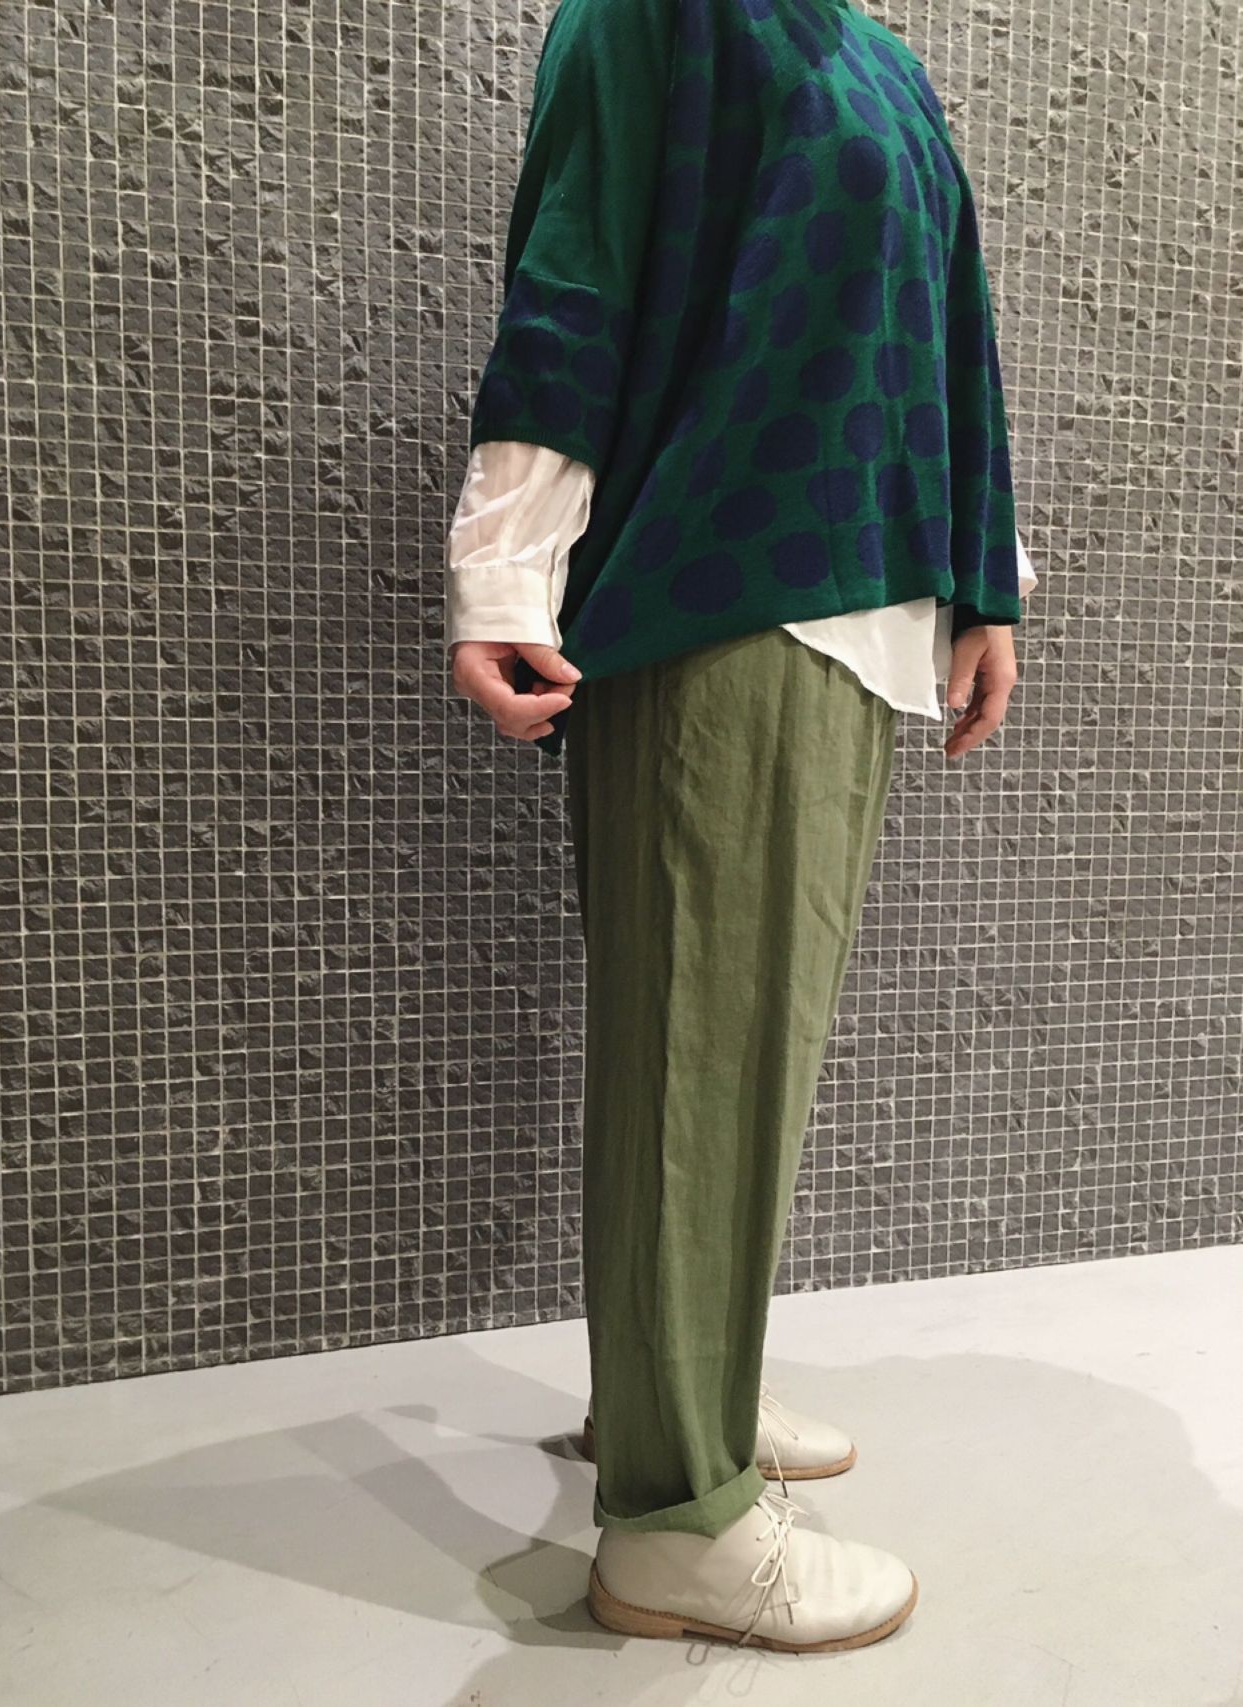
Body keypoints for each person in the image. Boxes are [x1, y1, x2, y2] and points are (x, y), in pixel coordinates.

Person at [445, 0, 1037, 1655]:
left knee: (744, 1056)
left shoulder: (878, 59)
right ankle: (676, 1521)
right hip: (722, 594)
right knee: (696, 1059)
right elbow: (576, 280)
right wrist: (501, 569)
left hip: (855, 602)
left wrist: (982, 577)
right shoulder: (662, 15)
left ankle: (685, 1391)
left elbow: (946, 328)